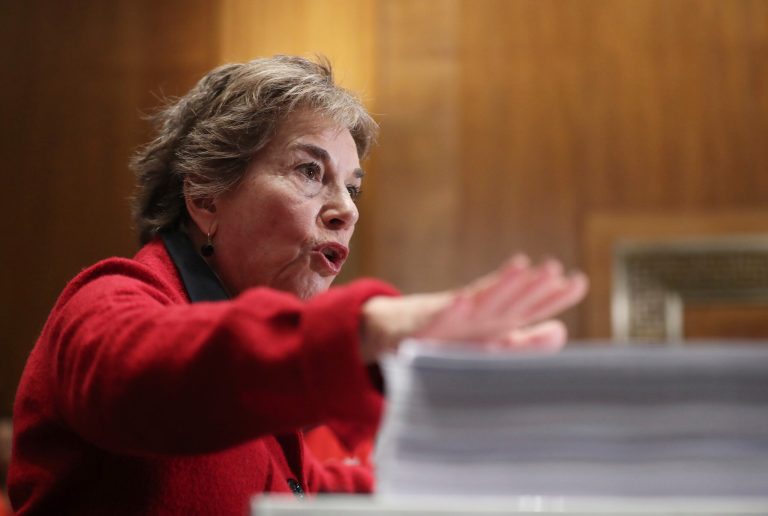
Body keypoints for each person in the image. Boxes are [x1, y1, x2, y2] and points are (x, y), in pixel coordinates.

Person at [8, 55, 588, 515]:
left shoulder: (247, 373)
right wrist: (371, 327)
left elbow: (298, 490)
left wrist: (482, 479)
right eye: (310, 171)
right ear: (205, 195)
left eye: (352, 188)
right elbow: (148, 379)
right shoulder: (108, 299)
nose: (347, 211)